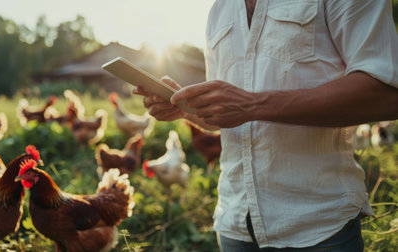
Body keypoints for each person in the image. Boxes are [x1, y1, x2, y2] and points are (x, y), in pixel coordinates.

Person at [134, 0, 398, 251]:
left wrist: (252, 104)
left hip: (318, 227)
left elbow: (385, 93)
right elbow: (230, 115)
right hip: (234, 222)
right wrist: (186, 110)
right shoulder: (218, 10)